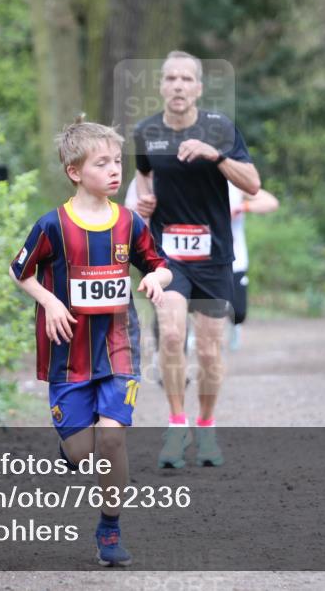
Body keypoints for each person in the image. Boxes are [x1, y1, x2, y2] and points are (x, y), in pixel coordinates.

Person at [9, 118, 172, 565]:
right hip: (68, 353)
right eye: (102, 163)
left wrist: (155, 280)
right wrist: (50, 302)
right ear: (75, 172)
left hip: (119, 346)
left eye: (117, 161)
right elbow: (19, 271)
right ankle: (70, 448)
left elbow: (160, 265)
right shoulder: (52, 225)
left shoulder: (130, 222)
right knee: (83, 452)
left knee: (112, 439)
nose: (115, 170)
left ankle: (110, 526)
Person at [132, 51, 261, 468]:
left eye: (186, 79)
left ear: (199, 88)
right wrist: (144, 202)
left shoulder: (220, 129)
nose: (178, 85)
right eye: (171, 78)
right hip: (167, 256)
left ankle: (205, 426)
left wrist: (215, 155)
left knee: (208, 350)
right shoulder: (146, 131)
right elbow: (143, 176)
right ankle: (176, 425)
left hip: (214, 256)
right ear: (161, 86)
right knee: (171, 335)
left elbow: (253, 184)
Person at [228, 181, 279, 349]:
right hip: (205, 259)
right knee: (200, 303)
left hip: (236, 258)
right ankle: (194, 335)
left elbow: (271, 202)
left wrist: (242, 207)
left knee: (239, 311)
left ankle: (235, 327)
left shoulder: (235, 185)